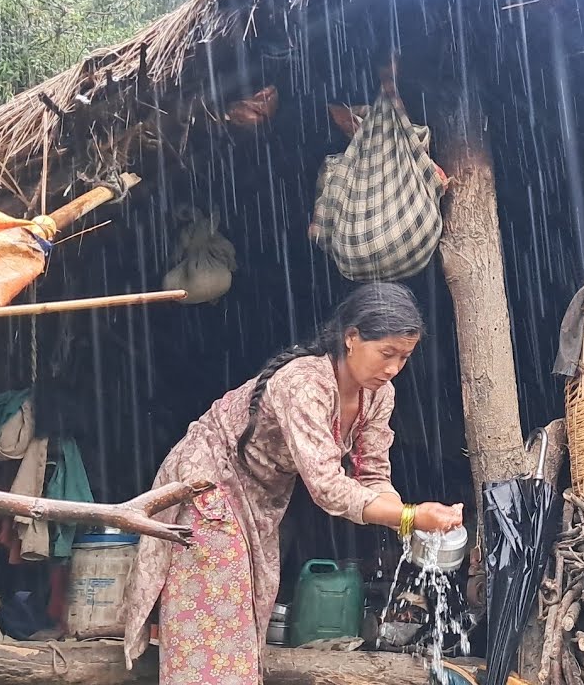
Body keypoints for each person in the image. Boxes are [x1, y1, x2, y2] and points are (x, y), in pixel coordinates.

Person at [123, 283, 463, 683]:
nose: (393, 368)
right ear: (351, 337)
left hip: (259, 499)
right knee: (216, 618)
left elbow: (372, 476)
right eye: (386, 354)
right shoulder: (304, 384)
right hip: (207, 486)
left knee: (245, 617)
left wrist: (407, 519)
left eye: (404, 357)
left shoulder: (378, 394)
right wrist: (409, 516)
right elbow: (328, 487)